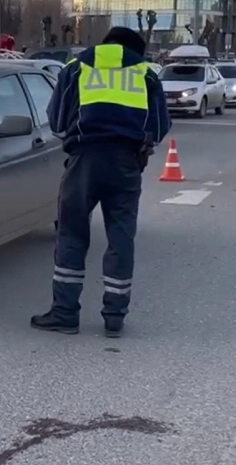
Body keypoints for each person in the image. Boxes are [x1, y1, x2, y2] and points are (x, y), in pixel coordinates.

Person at [32, 26, 171, 338]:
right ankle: (114, 318)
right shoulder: (146, 74)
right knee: (121, 238)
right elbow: (160, 126)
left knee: (72, 234)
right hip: (126, 164)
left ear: (106, 43)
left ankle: (65, 314)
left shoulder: (76, 68)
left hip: (84, 160)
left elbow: (56, 121)